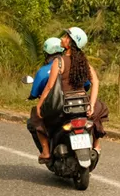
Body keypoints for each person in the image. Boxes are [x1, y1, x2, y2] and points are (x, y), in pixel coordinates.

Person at [34, 27, 109, 162]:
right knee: (98, 112)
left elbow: (50, 86)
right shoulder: (84, 62)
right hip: (82, 103)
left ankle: (45, 152)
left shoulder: (59, 61)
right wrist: (91, 104)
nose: (62, 38)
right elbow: (95, 82)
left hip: (65, 105)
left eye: (65, 36)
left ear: (70, 42)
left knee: (37, 117)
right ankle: (96, 145)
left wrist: (40, 104)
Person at [27, 38, 66, 151]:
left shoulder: (43, 71)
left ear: (47, 53)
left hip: (54, 108)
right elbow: (87, 84)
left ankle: (45, 150)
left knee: (34, 121)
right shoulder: (70, 65)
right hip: (74, 105)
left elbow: (34, 92)